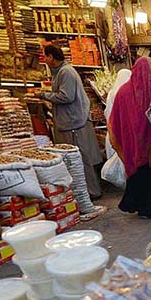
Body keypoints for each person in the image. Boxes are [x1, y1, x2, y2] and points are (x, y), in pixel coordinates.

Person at [40, 44, 102, 200]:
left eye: (45, 56)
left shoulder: (66, 72)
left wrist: (45, 95)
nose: (44, 60)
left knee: (81, 158)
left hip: (75, 122)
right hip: (71, 122)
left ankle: (92, 192)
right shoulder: (61, 72)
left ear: (51, 57)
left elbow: (66, 96)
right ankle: (84, 192)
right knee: (77, 159)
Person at [108, 57, 151, 218]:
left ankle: (140, 206)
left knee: (137, 176)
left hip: (131, 144)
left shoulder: (123, 92)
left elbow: (115, 121)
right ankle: (150, 206)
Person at [104, 68, 132, 160]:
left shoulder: (111, 94)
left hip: (111, 134)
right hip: (121, 136)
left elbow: (106, 112)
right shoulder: (126, 95)